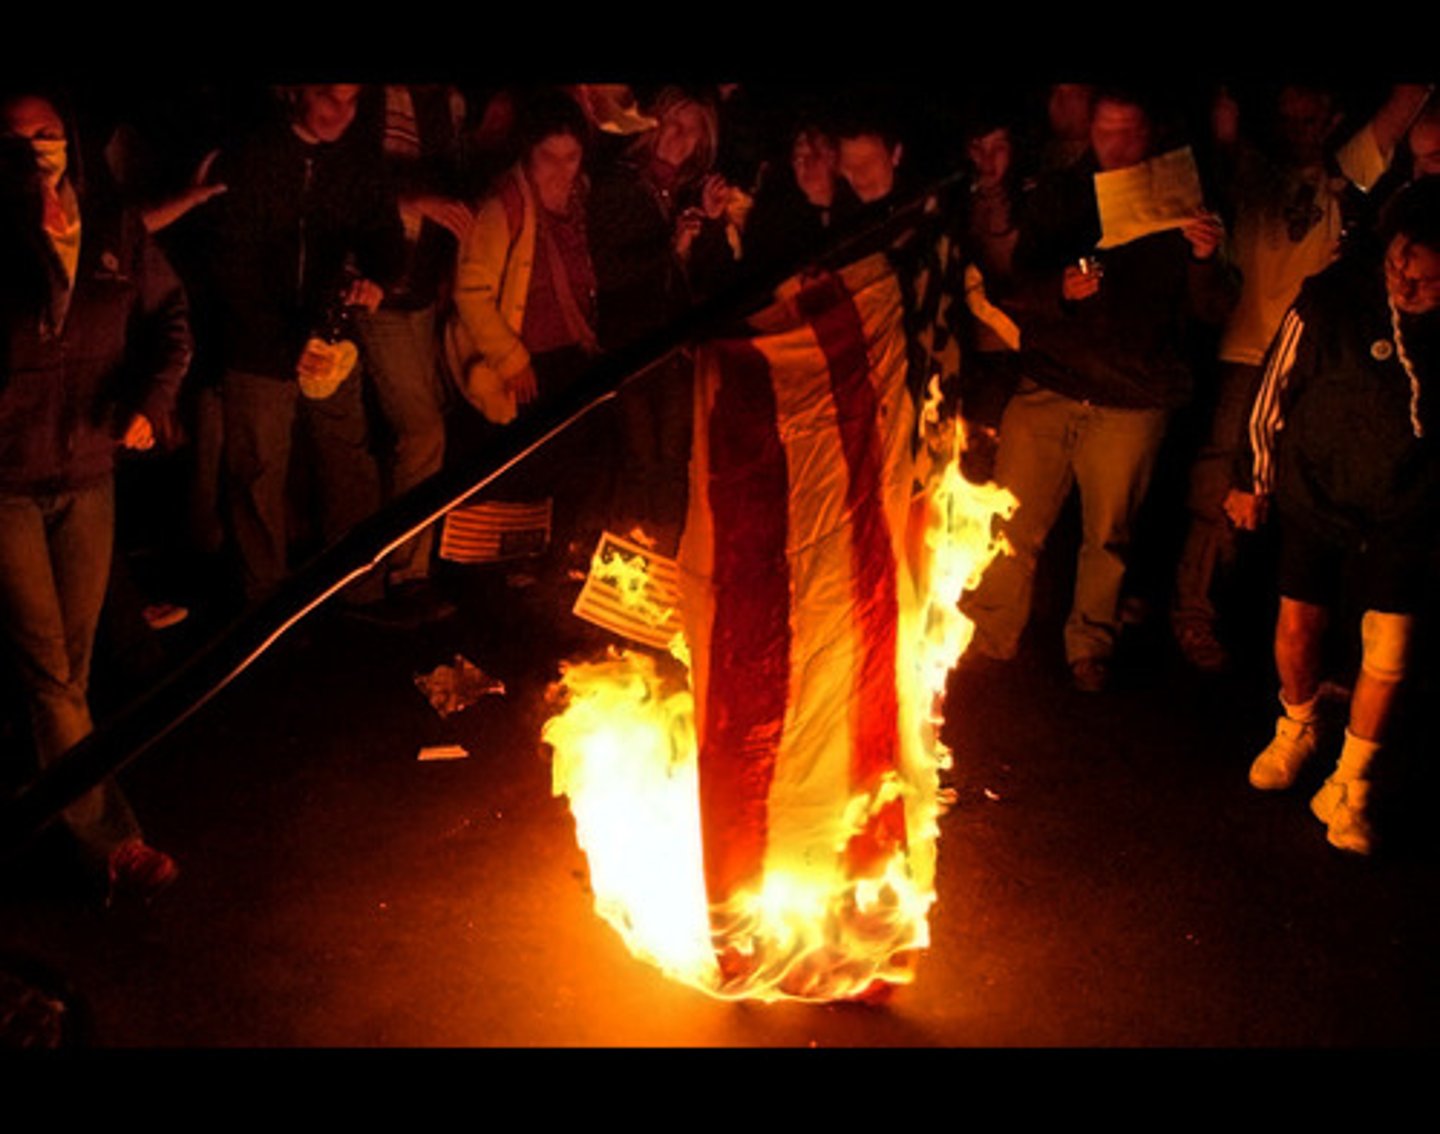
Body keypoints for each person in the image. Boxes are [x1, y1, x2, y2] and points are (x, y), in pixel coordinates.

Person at [961, 88, 1236, 692]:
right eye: (1105, 132)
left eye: (1129, 133)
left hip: (1132, 397)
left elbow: (1212, 311)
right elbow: (1017, 289)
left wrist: (1201, 258)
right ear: (1090, 132)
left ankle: (1089, 643)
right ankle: (989, 634)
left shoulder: (1181, 201)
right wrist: (1060, 289)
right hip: (1052, 383)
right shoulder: (1062, 193)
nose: (1117, 145)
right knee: (1013, 523)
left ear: (1150, 134)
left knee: (1107, 536)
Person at [0, 91, 190, 900]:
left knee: (69, 668)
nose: (35, 150)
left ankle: (41, 799)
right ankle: (113, 840)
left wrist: (151, 404)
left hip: (86, 472)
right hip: (4, 482)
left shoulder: (113, 228)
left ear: (69, 140)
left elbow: (172, 316)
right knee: (49, 667)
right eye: (14, 141)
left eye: (46, 135)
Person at [1171, 83, 1432, 671]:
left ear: (1332, 119)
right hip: (1245, 352)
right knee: (1221, 486)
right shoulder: (1252, 173)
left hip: (1316, 362)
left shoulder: (1347, 173)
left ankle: (1300, 643)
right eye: (1287, 120)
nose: (1297, 131)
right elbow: (1224, 130)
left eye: (1309, 121)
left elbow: (1402, 107)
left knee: (1312, 496)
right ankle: (1193, 617)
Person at [1227, 178, 1440, 855]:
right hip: (1317, 493)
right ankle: (1297, 726)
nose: (1408, 281)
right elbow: (1274, 385)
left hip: (1407, 508)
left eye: (1429, 277)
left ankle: (1351, 785)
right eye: (1402, 262)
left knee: (1391, 650)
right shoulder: (1333, 297)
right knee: (1298, 630)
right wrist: (1251, 478)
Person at [210, 84, 403, 607]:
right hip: (257, 345)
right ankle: (264, 606)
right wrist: (280, 341)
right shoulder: (252, 155)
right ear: (297, 92)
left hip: (329, 334)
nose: (339, 112)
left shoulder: (357, 161)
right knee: (258, 473)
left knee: (347, 458)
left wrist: (378, 279)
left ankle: (357, 587)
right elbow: (230, 265)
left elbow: (383, 230)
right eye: (327, 96)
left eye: (351, 100)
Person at [445, 88, 607, 565]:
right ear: (528, 153)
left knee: (560, 470)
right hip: (521, 360)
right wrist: (511, 358)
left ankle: (546, 567)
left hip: (568, 353)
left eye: (571, 156)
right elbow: (470, 291)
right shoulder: (504, 206)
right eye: (549, 157)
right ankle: (490, 576)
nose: (561, 168)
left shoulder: (580, 198)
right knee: (511, 471)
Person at [589, 86, 735, 555]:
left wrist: (710, 226)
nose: (678, 136)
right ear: (652, 123)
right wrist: (669, 248)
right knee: (637, 453)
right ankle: (622, 565)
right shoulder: (617, 182)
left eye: (690, 131)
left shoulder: (690, 192)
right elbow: (608, 270)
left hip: (675, 346)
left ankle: (663, 563)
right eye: (672, 123)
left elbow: (710, 278)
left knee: (674, 456)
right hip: (630, 343)